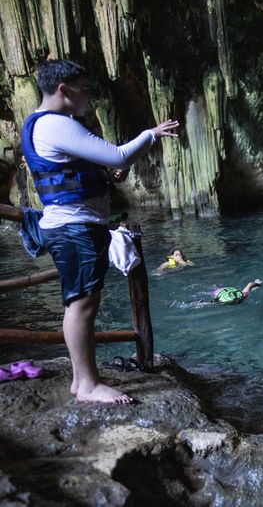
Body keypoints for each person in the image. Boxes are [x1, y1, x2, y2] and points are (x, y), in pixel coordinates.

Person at [21, 59, 178, 404]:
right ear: (64, 90)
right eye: (85, 89)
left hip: (73, 225)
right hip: (74, 228)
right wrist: (150, 135)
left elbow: (73, 168)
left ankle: (82, 380)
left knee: (82, 303)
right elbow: (119, 156)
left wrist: (103, 176)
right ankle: (88, 385)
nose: (90, 96)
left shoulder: (43, 124)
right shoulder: (56, 124)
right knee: (81, 305)